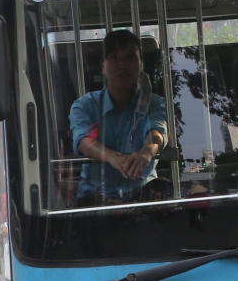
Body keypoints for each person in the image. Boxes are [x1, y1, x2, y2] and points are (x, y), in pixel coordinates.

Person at [68, 29, 169, 205]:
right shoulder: (84, 106)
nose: (123, 65)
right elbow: (83, 141)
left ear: (141, 64)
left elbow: (157, 131)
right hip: (94, 205)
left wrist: (147, 151)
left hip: (144, 201)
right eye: (114, 57)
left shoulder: (154, 103)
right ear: (102, 65)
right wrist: (111, 157)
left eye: (131, 57)